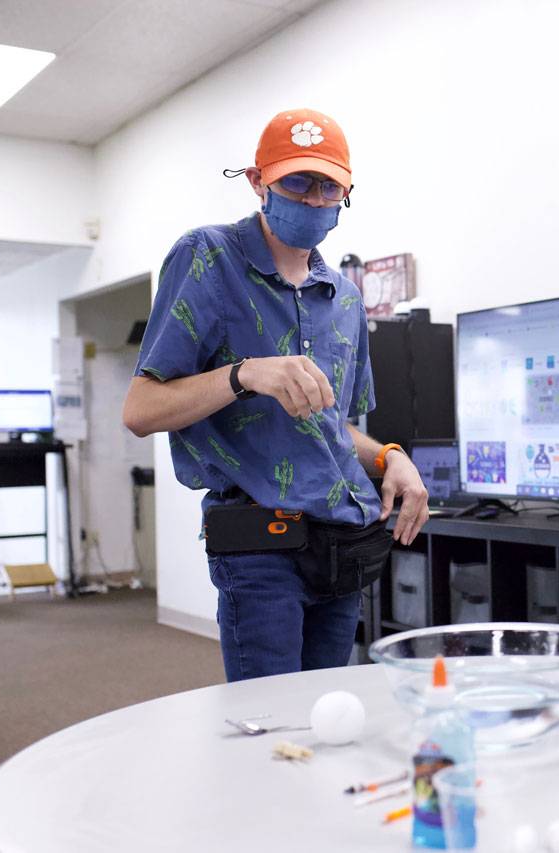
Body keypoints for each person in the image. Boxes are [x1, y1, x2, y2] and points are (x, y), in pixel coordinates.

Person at [123, 108, 429, 682]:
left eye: (328, 186)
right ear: (257, 181)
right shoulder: (208, 259)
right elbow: (140, 410)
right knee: (268, 724)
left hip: (342, 540)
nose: (313, 199)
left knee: (327, 710)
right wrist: (244, 375)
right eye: (296, 182)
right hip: (260, 544)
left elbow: (336, 427)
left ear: (346, 194)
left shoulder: (344, 297)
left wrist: (391, 457)